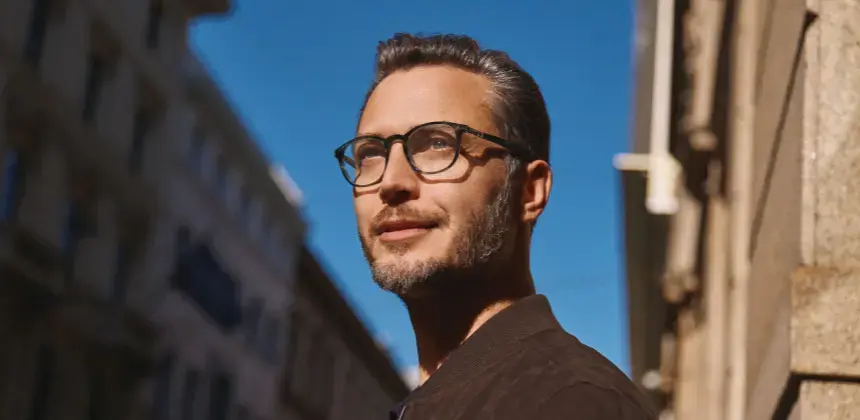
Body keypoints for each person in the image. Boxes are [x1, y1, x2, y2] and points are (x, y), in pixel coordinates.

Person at [334, 33, 656, 420]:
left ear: (529, 191)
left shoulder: (569, 402)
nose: (391, 182)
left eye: (438, 143)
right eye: (371, 153)